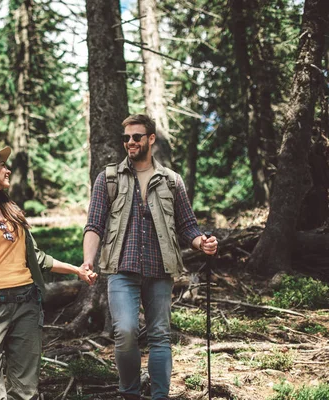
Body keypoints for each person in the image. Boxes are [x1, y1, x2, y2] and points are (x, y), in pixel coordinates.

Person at [0, 145, 97, 400]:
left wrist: (76, 270)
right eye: (1, 165)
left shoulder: (13, 211)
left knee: (25, 390)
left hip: (26, 305)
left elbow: (36, 257)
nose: (7, 169)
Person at [81, 114, 218, 400]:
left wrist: (201, 243)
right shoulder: (107, 178)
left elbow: (187, 226)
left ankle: (159, 396)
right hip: (121, 268)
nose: (130, 142)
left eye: (136, 137)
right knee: (126, 332)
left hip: (160, 270)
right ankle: (130, 393)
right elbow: (94, 224)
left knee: (160, 336)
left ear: (150, 139)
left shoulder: (172, 181)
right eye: (126, 138)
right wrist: (88, 261)